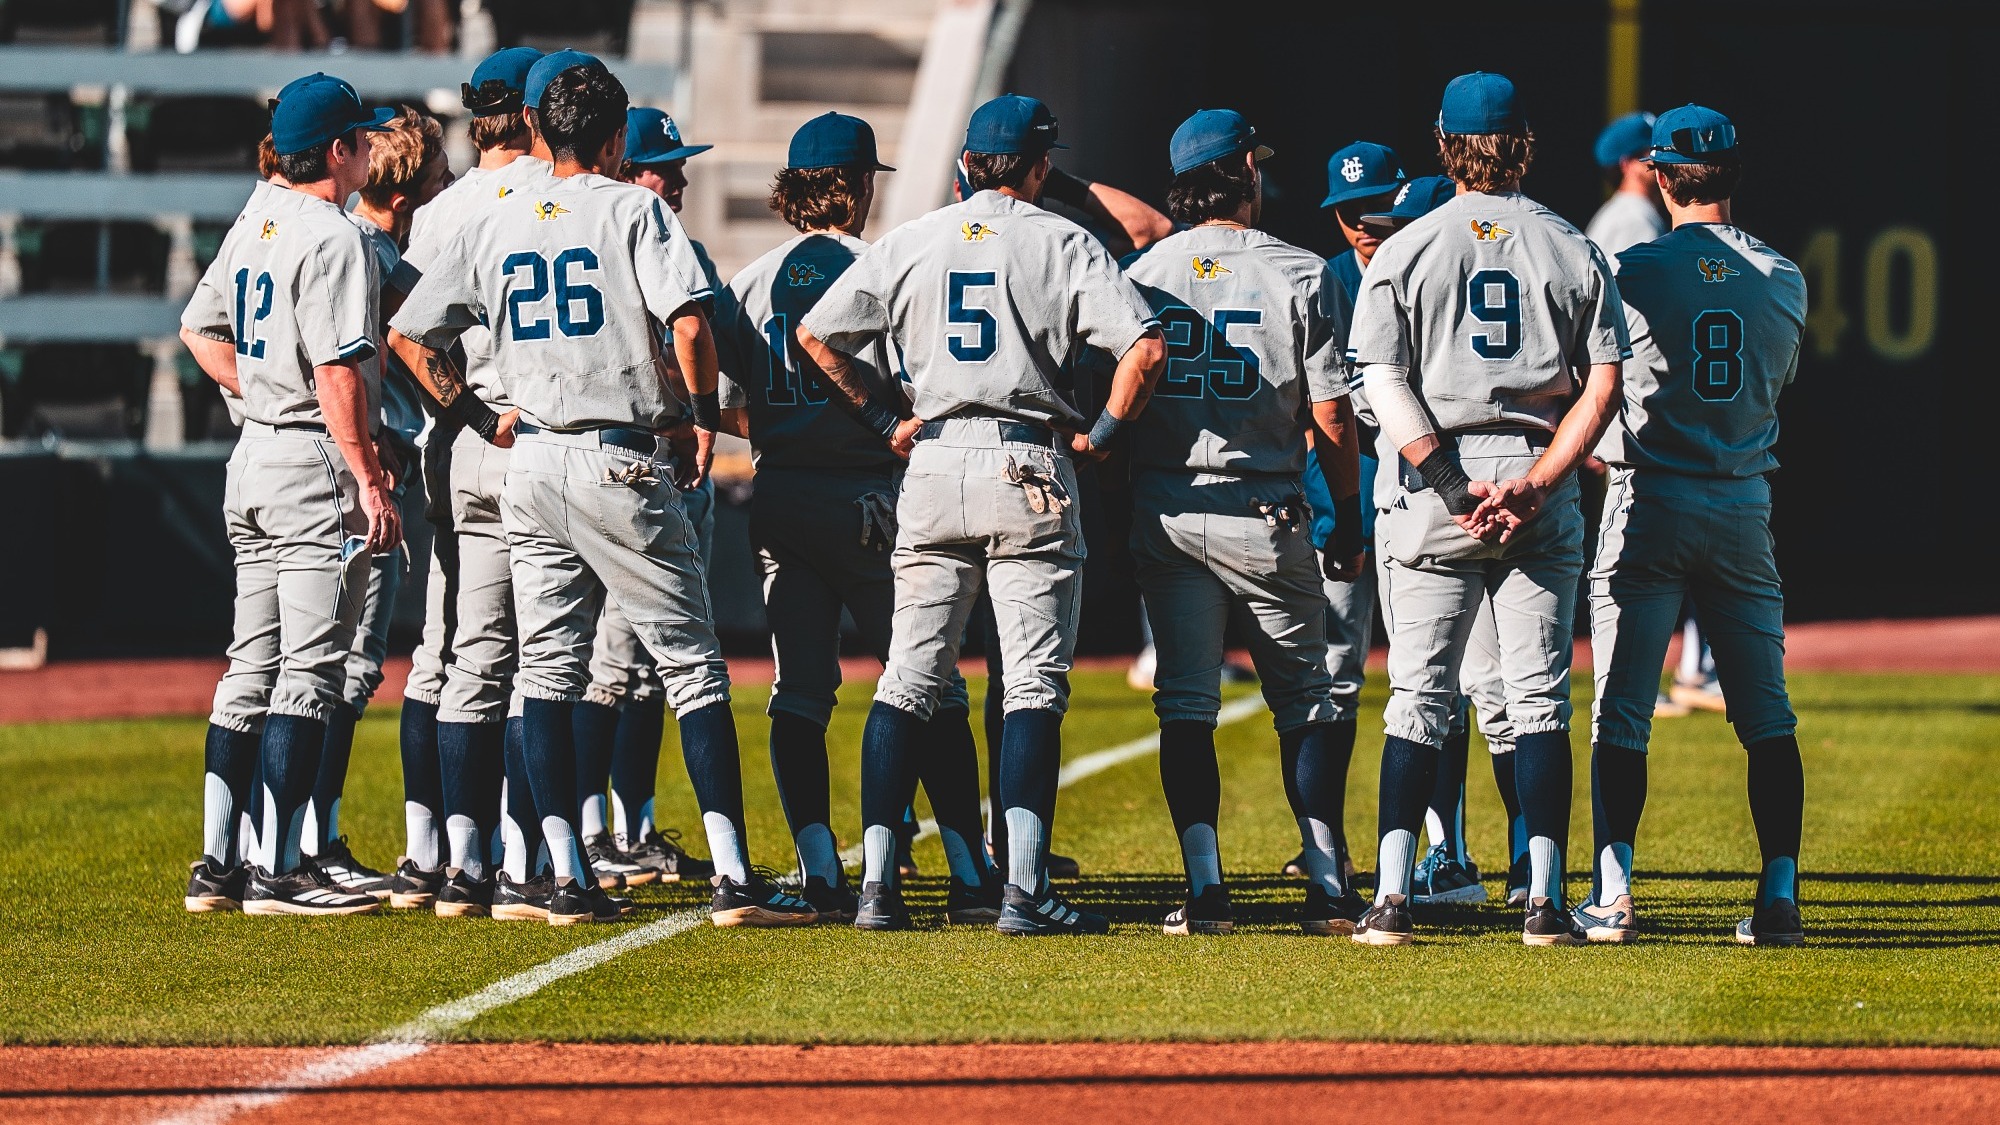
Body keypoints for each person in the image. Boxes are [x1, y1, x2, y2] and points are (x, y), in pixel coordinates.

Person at [390, 50, 816, 927]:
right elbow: (691, 324)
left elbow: (409, 336)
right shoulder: (633, 208)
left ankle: (563, 873)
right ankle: (734, 875)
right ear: (620, 137)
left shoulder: (495, 220)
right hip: (620, 454)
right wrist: (701, 416)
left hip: (532, 458)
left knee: (544, 672)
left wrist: (472, 411)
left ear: (541, 130)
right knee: (693, 667)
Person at [797, 94, 1166, 934]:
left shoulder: (914, 237)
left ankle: (880, 888)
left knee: (908, 679)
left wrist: (886, 421)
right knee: (1032, 682)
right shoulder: (1062, 237)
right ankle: (1024, 889)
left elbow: (818, 338)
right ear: (1038, 167)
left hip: (932, 458)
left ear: (965, 164)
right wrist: (1105, 434)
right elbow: (1144, 346)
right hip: (1027, 453)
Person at [1346, 72, 1629, 947]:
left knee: (1417, 700)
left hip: (1443, 480)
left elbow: (1381, 378)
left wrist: (1443, 478)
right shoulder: (1571, 243)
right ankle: (1543, 896)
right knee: (1540, 699)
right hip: (1533, 475)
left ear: (1445, 143)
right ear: (1525, 144)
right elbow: (1605, 384)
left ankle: (1392, 893)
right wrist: (1540, 483)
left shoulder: (1407, 246)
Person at [710, 112, 994, 924]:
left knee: (797, 693)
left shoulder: (752, 278)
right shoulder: (884, 265)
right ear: (861, 185)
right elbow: (916, 388)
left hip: (780, 495)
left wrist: (788, 426)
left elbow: (729, 403)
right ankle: (966, 871)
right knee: (927, 684)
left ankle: (821, 868)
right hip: (873, 498)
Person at [1122, 110, 1368, 936]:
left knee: (1186, 705)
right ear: (1246, 174)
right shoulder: (1301, 269)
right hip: (1266, 503)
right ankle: (1327, 881)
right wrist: (1351, 517)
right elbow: (1333, 417)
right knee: (1306, 702)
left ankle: (1206, 888)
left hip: (1170, 501)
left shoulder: (1144, 270)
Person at [1573, 105, 1807, 946]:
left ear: (1662, 176)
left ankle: (1614, 892)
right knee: (1767, 716)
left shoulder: (1632, 268)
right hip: (1743, 499)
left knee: (1620, 712)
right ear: (1732, 176)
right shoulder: (1785, 277)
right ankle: (1779, 896)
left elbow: (1591, 374)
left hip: (1653, 497)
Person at [179, 74, 399, 916]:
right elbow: (340, 370)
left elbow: (198, 328)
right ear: (338, 150)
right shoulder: (335, 234)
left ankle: (218, 864)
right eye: (362, 137)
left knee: (247, 671)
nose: (370, 148)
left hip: (254, 451)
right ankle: (279, 869)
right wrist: (369, 475)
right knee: (306, 673)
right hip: (310, 455)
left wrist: (259, 386)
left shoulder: (256, 216)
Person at [392, 46, 561, 919]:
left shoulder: (442, 208)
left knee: (451, 658)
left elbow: (413, 337)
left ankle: (448, 859)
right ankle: (524, 856)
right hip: (536, 436)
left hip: (453, 441)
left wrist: (463, 414)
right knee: (540, 664)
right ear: (534, 111)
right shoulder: (555, 192)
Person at [568, 106, 727, 893]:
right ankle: (594, 833)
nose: (682, 176)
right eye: (667, 164)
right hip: (629, 464)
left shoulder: (582, 228)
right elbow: (690, 346)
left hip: (579, 465)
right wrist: (702, 415)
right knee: (612, 665)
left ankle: (620, 829)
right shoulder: (638, 230)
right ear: (627, 167)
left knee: (628, 670)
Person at [295, 105, 451, 899]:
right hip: (361, 471)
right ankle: (305, 838)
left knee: (321, 665)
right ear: (404, 189)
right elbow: (409, 341)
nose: (445, 185)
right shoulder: (367, 245)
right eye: (435, 176)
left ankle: (295, 835)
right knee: (343, 666)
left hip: (326, 463)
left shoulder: (344, 236)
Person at [1585, 112, 1666, 257]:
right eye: (1650, 152)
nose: (1660, 159)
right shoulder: (1634, 220)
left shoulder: (1629, 212)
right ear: (1626, 164)